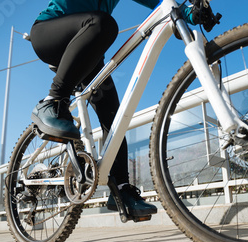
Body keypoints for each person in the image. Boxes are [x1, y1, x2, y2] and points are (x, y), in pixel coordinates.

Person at [29, 0, 170, 217]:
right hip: (49, 32)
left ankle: (121, 191)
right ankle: (53, 100)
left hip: (88, 48)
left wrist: (188, 11)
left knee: (114, 122)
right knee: (104, 25)